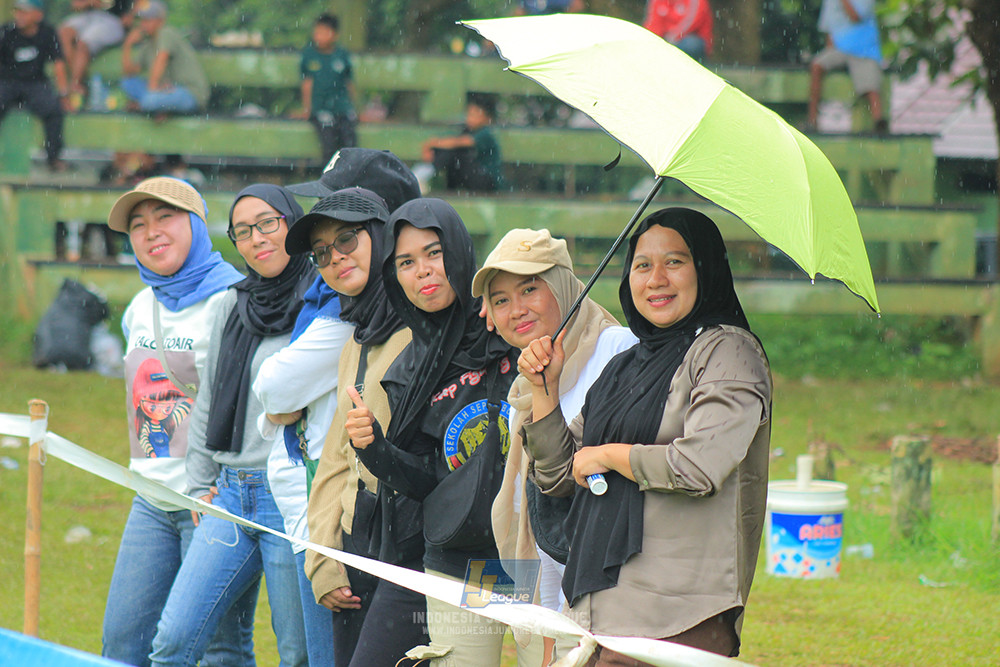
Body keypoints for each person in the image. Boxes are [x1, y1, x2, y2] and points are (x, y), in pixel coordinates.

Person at [518, 208, 772, 664]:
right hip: (595, 612)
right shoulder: (625, 367)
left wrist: (609, 456)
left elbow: (699, 467)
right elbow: (557, 476)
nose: (656, 279)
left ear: (705, 268)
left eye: (674, 261)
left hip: (674, 620)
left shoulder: (729, 353)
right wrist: (545, 391)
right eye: (642, 265)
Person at [147, 184, 315, 667]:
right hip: (230, 496)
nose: (256, 238)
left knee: (297, 654)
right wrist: (199, 484)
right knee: (173, 642)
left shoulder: (321, 303)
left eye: (267, 224)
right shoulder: (232, 304)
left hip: (291, 501)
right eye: (242, 231)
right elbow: (210, 398)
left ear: (293, 224)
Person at [345, 198, 518, 667]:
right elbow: (426, 480)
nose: (422, 270)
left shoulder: (508, 327)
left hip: (528, 547)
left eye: (434, 252)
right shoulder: (407, 371)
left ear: (459, 253)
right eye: (406, 262)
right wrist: (374, 448)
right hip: (455, 555)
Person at [102, 176, 255, 667]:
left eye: (165, 217)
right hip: (150, 500)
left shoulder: (235, 302)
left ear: (196, 223)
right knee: (122, 644)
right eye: (138, 225)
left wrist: (217, 488)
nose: (151, 232)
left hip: (213, 503)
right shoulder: (138, 307)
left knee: (219, 652)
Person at [472, 228, 637, 666]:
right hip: (549, 590)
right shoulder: (523, 385)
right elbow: (526, 503)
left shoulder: (617, 350)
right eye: (501, 300)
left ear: (563, 286)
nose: (517, 310)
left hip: (604, 592)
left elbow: (573, 479)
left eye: (530, 289)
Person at [292, 190, 426, 667]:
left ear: (380, 237)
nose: (335, 257)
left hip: (416, 553)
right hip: (358, 545)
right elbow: (337, 457)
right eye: (321, 252)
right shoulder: (357, 337)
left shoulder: (427, 329)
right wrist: (324, 558)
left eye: (347, 239)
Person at [0, 0, 68, 171]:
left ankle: (53, 158)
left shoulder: (48, 32)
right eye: (18, 11)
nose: (19, 16)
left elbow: (58, 63)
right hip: (7, 81)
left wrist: (63, 93)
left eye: (25, 12)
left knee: (53, 110)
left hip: (35, 83)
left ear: (38, 15)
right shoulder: (6, 31)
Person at [807, 0, 886, 134]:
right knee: (816, 66)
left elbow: (855, 16)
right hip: (839, 49)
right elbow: (829, 29)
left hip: (863, 50)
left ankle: (879, 123)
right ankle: (812, 121)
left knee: (870, 86)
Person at [120, 0, 208, 114]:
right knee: (128, 83)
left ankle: (147, 106)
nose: (143, 24)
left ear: (160, 20)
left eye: (148, 20)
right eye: (142, 20)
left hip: (189, 93)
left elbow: (160, 62)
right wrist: (127, 45)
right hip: (166, 91)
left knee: (150, 101)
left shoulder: (166, 33)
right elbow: (129, 72)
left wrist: (153, 93)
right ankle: (156, 107)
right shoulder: (148, 42)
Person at [292, 13, 357, 163]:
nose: (319, 37)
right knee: (328, 142)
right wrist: (307, 109)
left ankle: (350, 172)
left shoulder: (342, 55)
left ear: (335, 35)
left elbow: (349, 83)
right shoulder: (310, 55)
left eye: (324, 32)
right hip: (320, 109)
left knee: (349, 140)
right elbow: (307, 84)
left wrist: (355, 108)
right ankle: (329, 174)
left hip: (342, 108)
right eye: (317, 32)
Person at [417, 93, 502, 193]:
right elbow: (448, 140)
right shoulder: (468, 130)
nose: (470, 118)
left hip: (487, 181)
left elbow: (460, 142)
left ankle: (421, 175)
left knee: (455, 153)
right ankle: (424, 175)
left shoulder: (485, 133)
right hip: (471, 176)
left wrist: (432, 144)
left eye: (475, 115)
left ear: (487, 118)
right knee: (449, 153)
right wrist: (431, 148)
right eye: (469, 114)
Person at [57, 0, 125, 107]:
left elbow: (106, 4)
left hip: (109, 19)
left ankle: (76, 84)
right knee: (64, 34)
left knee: (83, 44)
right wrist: (86, 3)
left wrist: (94, 3)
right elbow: (75, 5)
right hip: (84, 16)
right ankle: (76, 84)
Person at [643, 0, 714, 61]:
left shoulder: (696, 2)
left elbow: (692, 22)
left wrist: (671, 38)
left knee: (691, 44)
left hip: (688, 39)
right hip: (666, 39)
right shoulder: (657, 1)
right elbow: (653, 24)